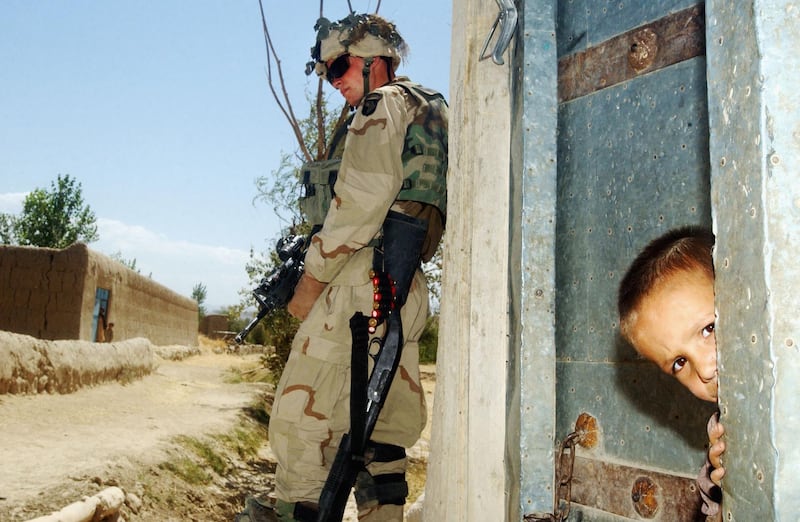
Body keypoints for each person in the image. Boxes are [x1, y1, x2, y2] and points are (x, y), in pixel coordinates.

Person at [237, 12, 448, 522]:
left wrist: (310, 279)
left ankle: (295, 510)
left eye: (339, 68)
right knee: (381, 433)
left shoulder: (381, 106)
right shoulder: (431, 106)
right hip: (406, 288)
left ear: (376, 59)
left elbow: (359, 205)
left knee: (300, 418)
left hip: (358, 281)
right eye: (328, 73)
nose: (335, 83)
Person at [618, 226, 725, 521]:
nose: (704, 369)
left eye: (708, 329)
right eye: (679, 362)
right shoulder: (720, 440)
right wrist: (728, 491)